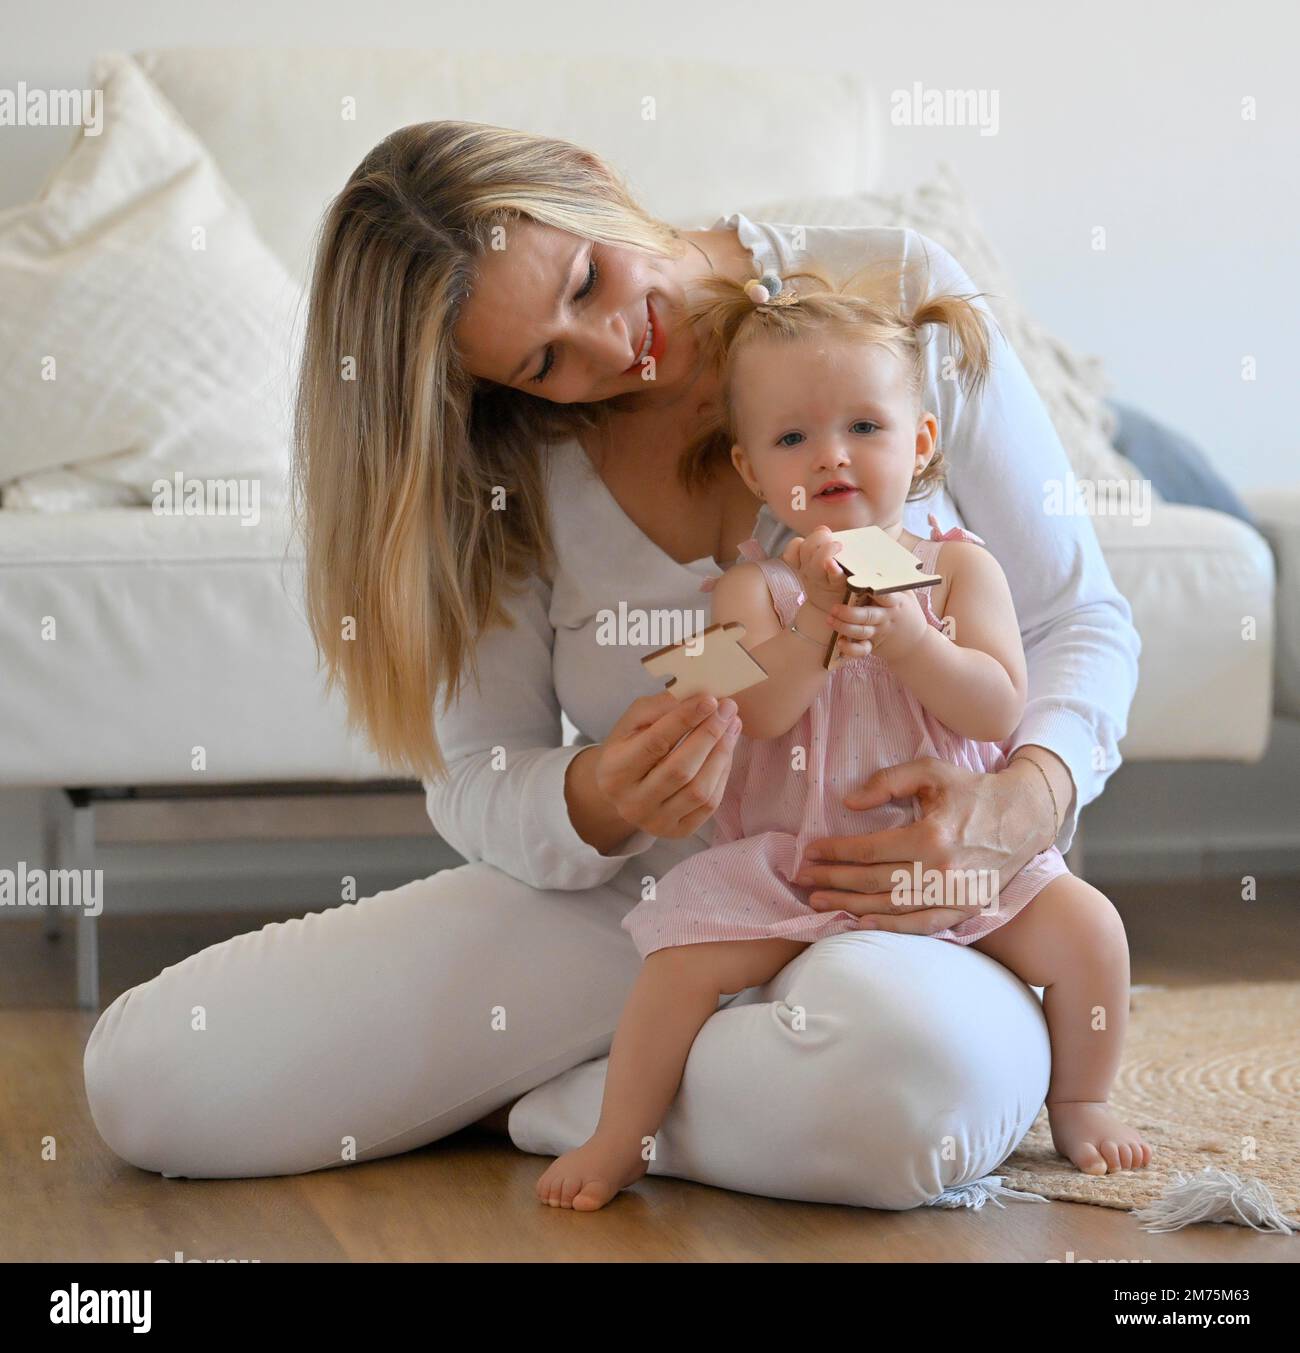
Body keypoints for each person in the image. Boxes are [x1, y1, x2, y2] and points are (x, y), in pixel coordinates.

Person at [82, 122, 1141, 1210]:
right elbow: (479, 771)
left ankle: (560, 1108)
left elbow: (1079, 621)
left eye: (588, 277)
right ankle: (664, 1092)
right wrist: (590, 796)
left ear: (588, 180)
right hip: (669, 899)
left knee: (895, 1089)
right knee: (153, 1083)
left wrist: (1020, 801)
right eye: (542, 360)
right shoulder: (503, 454)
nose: (608, 349)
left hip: (918, 891)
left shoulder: (884, 287)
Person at [534, 265, 1151, 1210]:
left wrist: (910, 640)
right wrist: (815, 627)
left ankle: (1080, 1097)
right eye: (793, 437)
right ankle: (624, 1129)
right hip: (796, 862)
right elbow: (762, 712)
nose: (831, 456)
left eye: (864, 426)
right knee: (674, 969)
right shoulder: (753, 591)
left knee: (1090, 930)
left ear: (922, 441)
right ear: (750, 468)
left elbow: (996, 707)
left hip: (956, 865)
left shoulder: (954, 571)